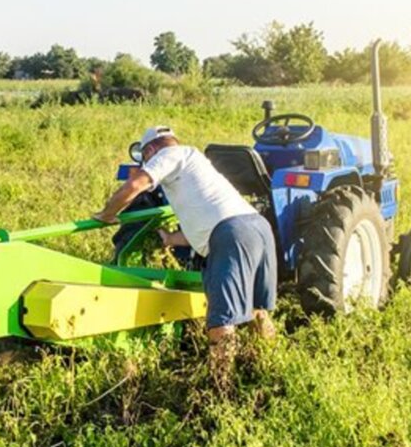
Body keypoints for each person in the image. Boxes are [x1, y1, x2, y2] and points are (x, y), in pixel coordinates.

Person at [92, 125, 277, 390]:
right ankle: (271, 366)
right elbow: (205, 226)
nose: (148, 163)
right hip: (257, 228)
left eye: (146, 158)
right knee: (257, 310)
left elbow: (134, 185)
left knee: (221, 321)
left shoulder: (171, 154)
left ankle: (220, 389)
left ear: (151, 150)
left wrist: (106, 214)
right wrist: (169, 239)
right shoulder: (195, 165)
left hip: (232, 234)